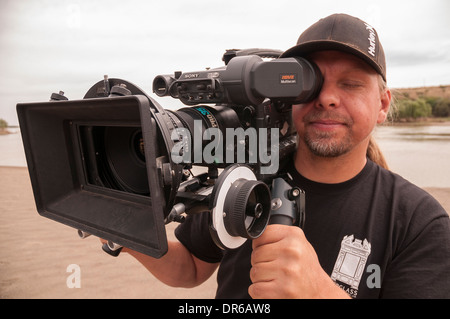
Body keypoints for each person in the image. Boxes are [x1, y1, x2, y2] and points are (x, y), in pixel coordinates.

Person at [118, 13, 450, 298]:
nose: (328, 98)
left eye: (350, 84)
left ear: (382, 104)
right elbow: (189, 266)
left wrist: (321, 292)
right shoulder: (244, 177)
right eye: (311, 84)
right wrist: (119, 224)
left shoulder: (419, 223)